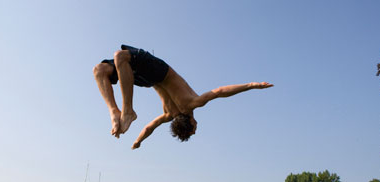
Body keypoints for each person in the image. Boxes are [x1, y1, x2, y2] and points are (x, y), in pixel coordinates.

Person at [93, 45, 273, 149]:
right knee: (100, 70)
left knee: (120, 56)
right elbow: (149, 127)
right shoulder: (167, 115)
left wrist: (251, 85)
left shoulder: (193, 103)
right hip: (146, 79)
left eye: (194, 129)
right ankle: (114, 111)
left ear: (191, 124)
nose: (197, 128)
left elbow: (219, 91)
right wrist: (137, 141)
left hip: (158, 72)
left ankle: (127, 111)